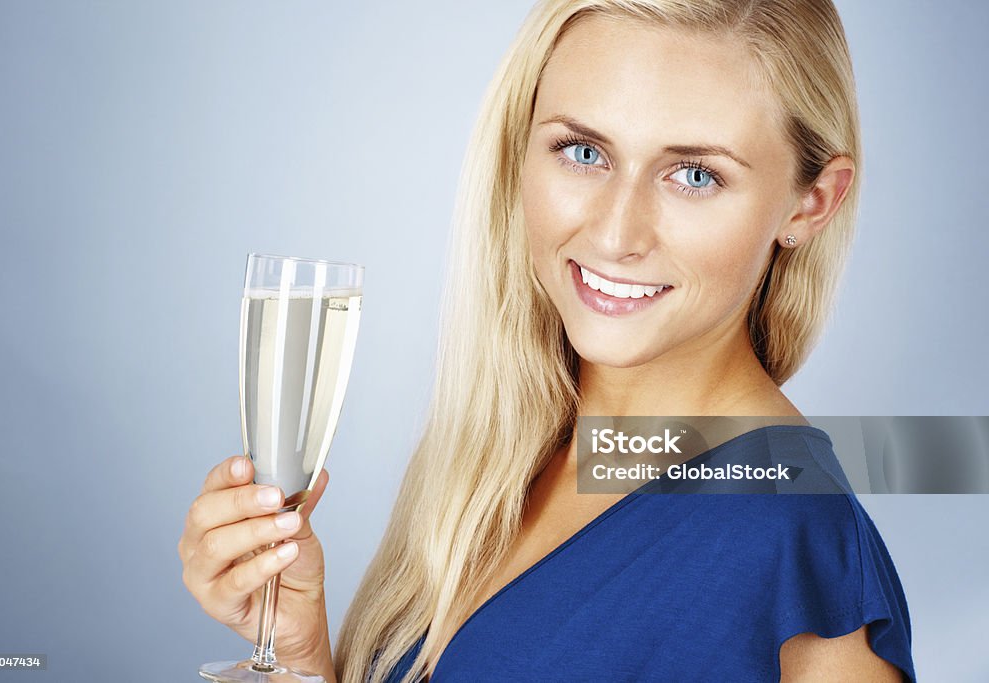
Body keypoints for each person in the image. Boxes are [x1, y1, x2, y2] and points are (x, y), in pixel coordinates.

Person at [178, 0, 918, 680]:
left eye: (694, 174)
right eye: (584, 152)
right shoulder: (504, 457)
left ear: (811, 202)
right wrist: (304, 652)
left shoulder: (795, 539)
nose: (614, 233)